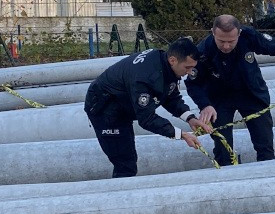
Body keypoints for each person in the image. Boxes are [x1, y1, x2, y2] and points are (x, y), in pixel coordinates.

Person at [186, 14, 275, 165]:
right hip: (219, 98)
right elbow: (192, 83)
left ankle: (266, 177)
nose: (226, 46)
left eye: (231, 41)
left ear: (239, 33)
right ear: (213, 33)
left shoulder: (249, 37)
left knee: (264, 145)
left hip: (251, 93)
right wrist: (205, 105)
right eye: (221, 41)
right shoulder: (202, 51)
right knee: (222, 148)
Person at [84, 37, 207, 178]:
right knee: (125, 162)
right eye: (187, 67)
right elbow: (146, 118)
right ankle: (122, 196)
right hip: (105, 108)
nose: (190, 72)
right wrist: (181, 134)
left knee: (128, 158)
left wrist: (190, 118)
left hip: (122, 105)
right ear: (173, 60)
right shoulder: (146, 77)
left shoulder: (164, 63)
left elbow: (170, 96)